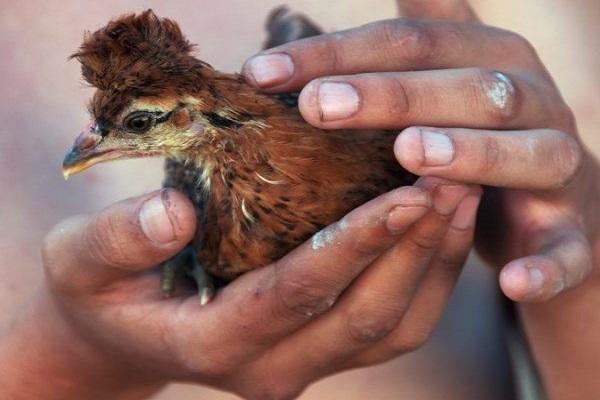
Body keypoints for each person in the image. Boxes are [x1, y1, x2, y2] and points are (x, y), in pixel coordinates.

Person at [0, 1, 598, 399]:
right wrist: (80, 356)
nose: (86, 147)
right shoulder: (194, 180)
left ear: (199, 118)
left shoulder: (362, 141)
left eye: (135, 125)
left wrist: (577, 263)